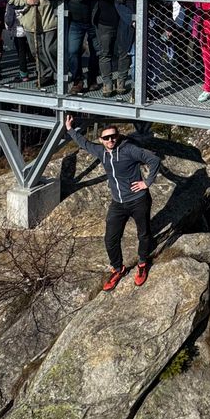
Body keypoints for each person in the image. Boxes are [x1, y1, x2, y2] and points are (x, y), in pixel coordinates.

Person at [64, 114, 161, 291]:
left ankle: (141, 264)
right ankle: (118, 268)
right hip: (118, 203)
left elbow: (154, 159)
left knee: (144, 234)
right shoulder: (101, 152)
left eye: (114, 136)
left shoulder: (129, 149)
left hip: (138, 200)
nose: (111, 140)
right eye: (106, 137)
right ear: (101, 140)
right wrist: (70, 129)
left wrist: (146, 183)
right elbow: (84, 144)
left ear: (118, 136)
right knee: (110, 239)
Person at [120, 0, 167, 101]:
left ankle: (151, 89)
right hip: (133, 29)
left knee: (154, 60)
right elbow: (119, 5)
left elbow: (166, 5)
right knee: (136, 61)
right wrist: (132, 20)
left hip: (155, 27)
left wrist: (167, 26)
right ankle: (138, 89)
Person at [10, 0, 57, 88]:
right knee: (36, 50)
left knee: (51, 48)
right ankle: (45, 76)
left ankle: (60, 74)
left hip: (49, 16)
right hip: (29, 19)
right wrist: (27, 1)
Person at [88, 0, 131, 98]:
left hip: (122, 21)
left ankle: (121, 82)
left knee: (123, 52)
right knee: (105, 53)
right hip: (103, 23)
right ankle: (107, 83)